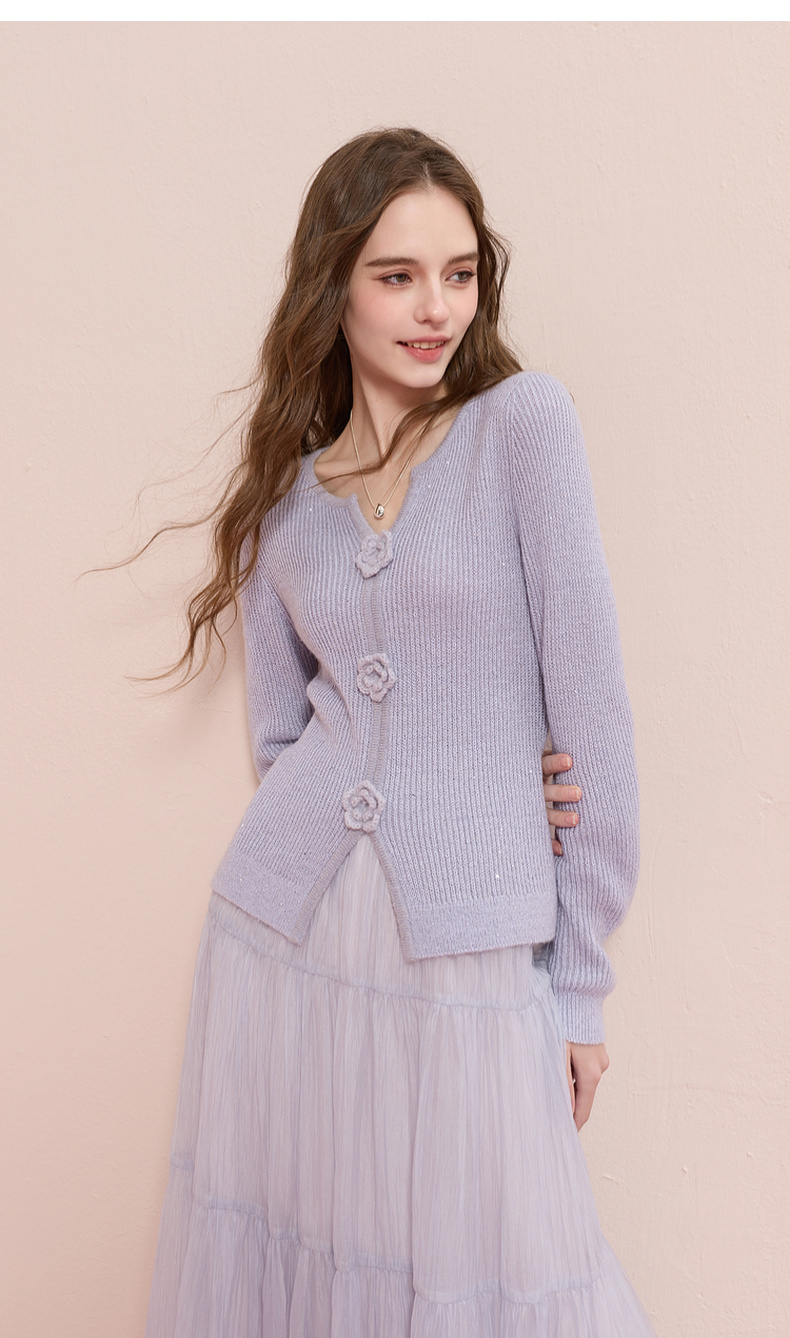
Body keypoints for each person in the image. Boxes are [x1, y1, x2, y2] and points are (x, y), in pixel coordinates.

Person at [143, 127, 655, 1336]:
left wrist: (579, 985)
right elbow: (282, 742)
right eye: (398, 276)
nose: (436, 308)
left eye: (459, 274)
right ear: (334, 286)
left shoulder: (521, 428)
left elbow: (592, 711)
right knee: (320, 1257)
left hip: (469, 944)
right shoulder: (284, 501)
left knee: (487, 1268)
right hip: (287, 938)